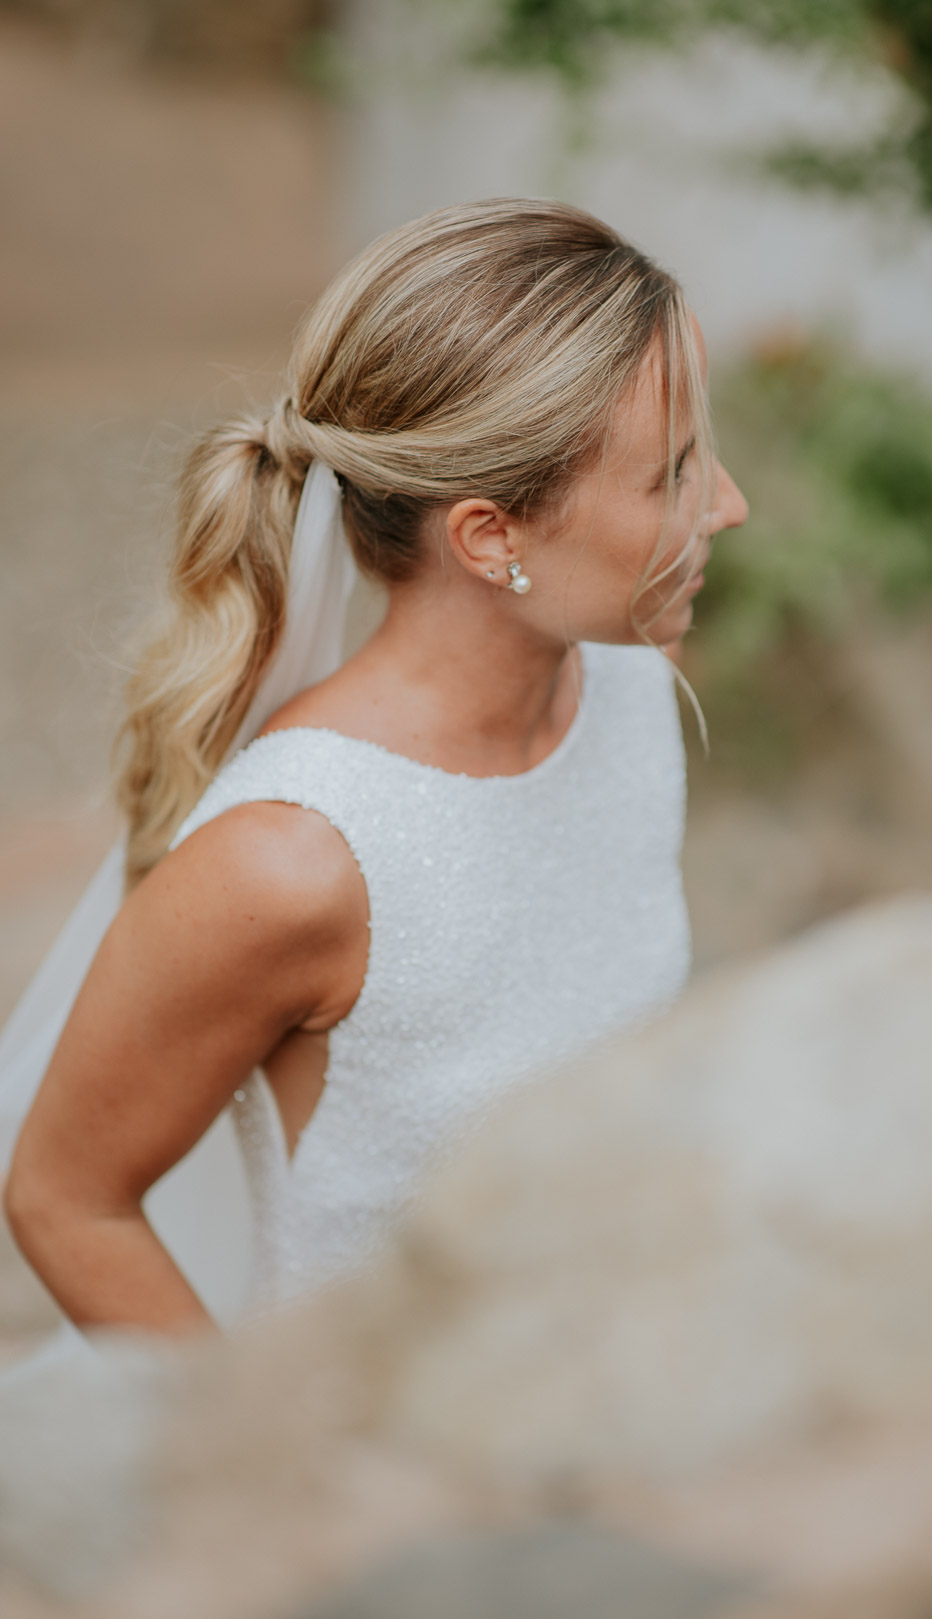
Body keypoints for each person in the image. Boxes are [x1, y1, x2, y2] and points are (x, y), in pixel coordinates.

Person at [1, 198, 748, 1340]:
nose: (730, 507)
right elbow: (64, 1196)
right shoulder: (292, 860)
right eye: (675, 474)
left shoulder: (631, 674)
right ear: (493, 537)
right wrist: (273, 1463)